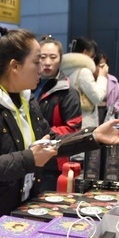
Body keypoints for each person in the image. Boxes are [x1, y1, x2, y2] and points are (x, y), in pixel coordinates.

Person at [0, 26, 119, 238]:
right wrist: (30, 158)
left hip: (18, 209)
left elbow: (50, 141)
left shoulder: (25, 101)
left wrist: (92, 136)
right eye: (37, 61)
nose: (42, 67)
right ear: (15, 66)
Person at [34, 36, 81, 192]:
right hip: (29, 159)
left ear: (60, 59)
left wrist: (40, 135)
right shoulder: (27, 87)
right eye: (42, 57)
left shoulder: (68, 92)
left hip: (53, 162)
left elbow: (74, 129)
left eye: (53, 57)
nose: (47, 62)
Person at [61, 36, 108, 128]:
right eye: (92, 56)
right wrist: (102, 76)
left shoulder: (65, 69)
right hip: (85, 122)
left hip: (71, 119)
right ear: (85, 52)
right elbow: (97, 97)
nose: (93, 59)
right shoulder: (83, 71)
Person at [96, 52, 119, 122]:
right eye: (99, 65)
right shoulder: (90, 79)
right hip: (94, 115)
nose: (102, 68)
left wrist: (115, 108)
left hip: (109, 116)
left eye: (104, 65)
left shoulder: (113, 80)